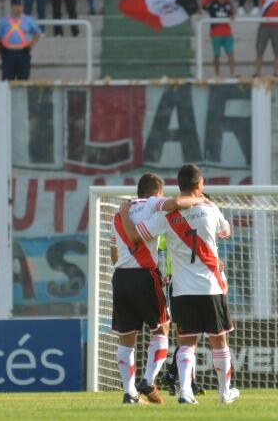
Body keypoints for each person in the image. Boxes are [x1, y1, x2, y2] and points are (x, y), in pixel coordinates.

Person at [121, 164, 238, 405]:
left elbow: (138, 234)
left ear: (179, 185)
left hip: (182, 290)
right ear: (200, 185)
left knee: (187, 343)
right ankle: (225, 393)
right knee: (219, 340)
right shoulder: (210, 207)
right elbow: (226, 232)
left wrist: (124, 215)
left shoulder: (167, 215)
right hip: (211, 286)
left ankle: (185, 392)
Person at [109, 173, 205, 404]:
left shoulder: (117, 215)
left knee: (126, 338)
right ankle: (149, 380)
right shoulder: (152, 204)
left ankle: (129, 393)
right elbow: (175, 204)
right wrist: (197, 199)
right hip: (144, 275)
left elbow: (114, 254)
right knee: (162, 328)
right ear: (156, 193)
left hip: (120, 277)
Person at [0, 0, 41, 81]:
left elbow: (37, 33)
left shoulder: (28, 20)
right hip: (8, 53)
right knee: (7, 80)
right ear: (12, 7)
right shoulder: (4, 21)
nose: (18, 8)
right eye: (16, 6)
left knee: (23, 79)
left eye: (20, 6)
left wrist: (31, 44)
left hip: (23, 53)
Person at [205, 0, 236, 77]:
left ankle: (232, 73)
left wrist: (232, 15)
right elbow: (202, 10)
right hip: (215, 33)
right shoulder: (211, 4)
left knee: (230, 53)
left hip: (227, 33)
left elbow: (232, 15)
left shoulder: (228, 4)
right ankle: (217, 74)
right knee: (216, 55)